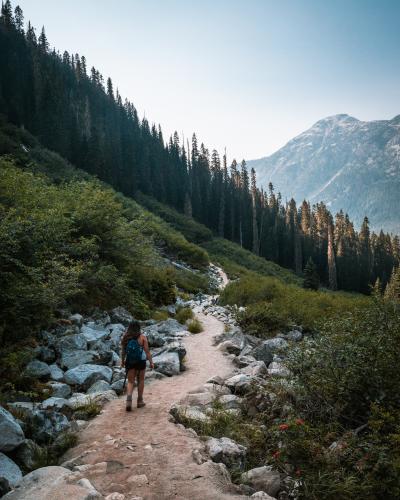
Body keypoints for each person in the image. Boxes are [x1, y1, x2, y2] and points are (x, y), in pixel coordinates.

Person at [120, 320, 154, 411]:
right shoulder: (142, 337)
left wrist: (122, 361)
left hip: (130, 362)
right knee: (141, 380)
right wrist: (151, 362)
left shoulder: (126, 337)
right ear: (139, 327)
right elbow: (147, 351)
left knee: (130, 381)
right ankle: (140, 401)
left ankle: (128, 401)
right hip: (141, 361)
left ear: (129, 328)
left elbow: (123, 352)